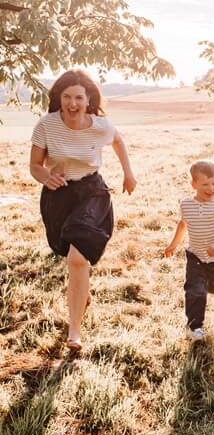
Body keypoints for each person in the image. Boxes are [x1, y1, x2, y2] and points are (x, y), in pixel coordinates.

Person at [30, 69, 136, 353]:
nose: (73, 103)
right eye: (67, 97)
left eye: (79, 97)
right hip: (58, 195)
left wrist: (128, 173)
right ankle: (82, 292)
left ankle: (74, 331)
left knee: (77, 259)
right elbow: (35, 165)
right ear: (59, 98)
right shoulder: (46, 125)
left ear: (89, 100)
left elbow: (118, 140)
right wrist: (45, 176)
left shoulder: (100, 125)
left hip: (91, 193)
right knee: (68, 254)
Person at [164, 160, 214, 341]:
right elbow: (183, 224)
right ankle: (194, 327)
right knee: (195, 290)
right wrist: (173, 244)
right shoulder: (186, 204)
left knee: (213, 287)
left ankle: (212, 286)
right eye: (205, 184)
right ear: (194, 184)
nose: (211, 188)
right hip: (195, 256)